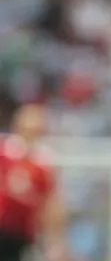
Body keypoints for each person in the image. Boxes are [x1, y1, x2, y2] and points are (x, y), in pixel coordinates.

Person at [0, 104, 67, 261]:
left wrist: (55, 241)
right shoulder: (3, 151)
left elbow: (50, 203)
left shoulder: (42, 163)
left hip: (20, 233)